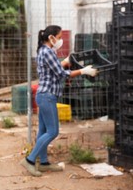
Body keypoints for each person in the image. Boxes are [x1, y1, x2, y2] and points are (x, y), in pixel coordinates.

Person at [20, 25, 98, 177]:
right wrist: (83, 71)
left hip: (44, 95)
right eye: (60, 37)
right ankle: (29, 160)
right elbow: (62, 74)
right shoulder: (48, 52)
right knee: (53, 131)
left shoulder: (44, 51)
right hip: (47, 96)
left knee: (43, 131)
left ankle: (43, 163)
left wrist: (66, 61)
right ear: (51, 38)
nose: (61, 40)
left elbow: (53, 70)